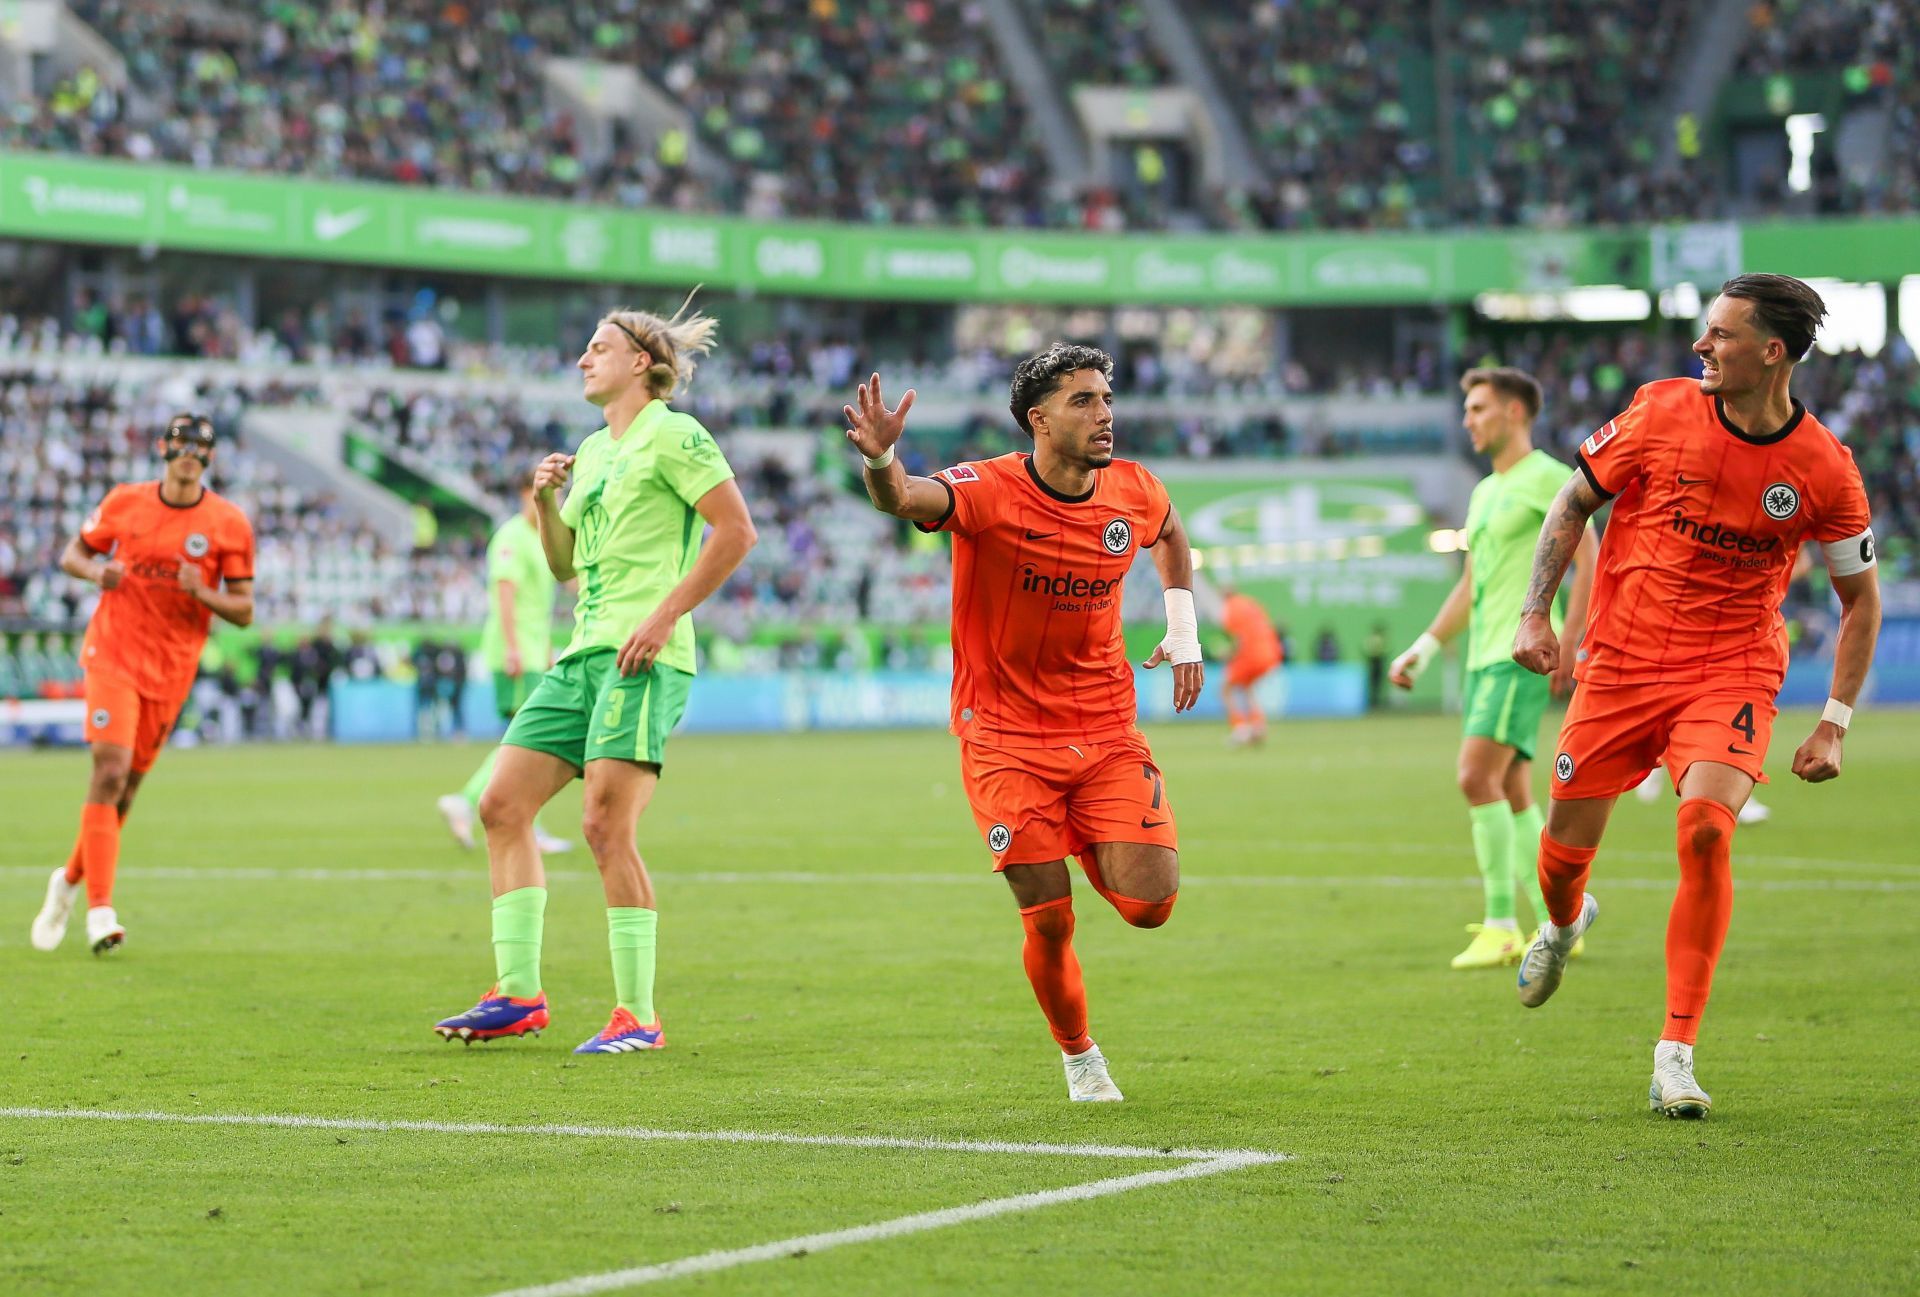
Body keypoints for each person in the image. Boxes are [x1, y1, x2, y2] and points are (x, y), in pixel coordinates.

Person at [1511, 275, 1880, 1118]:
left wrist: (1834, 723)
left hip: (1732, 669)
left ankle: (1674, 1053)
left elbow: (1860, 600)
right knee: (1564, 856)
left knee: (1706, 831)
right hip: (1621, 664)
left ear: (1772, 351)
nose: (1700, 346)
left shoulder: (1824, 467)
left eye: (1719, 334)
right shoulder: (1659, 410)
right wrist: (1538, 614)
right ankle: (1565, 923)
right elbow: (1574, 503)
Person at [846, 344, 1205, 1102]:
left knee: (1151, 904)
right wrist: (882, 462)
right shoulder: (990, 488)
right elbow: (907, 499)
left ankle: (1078, 833)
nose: (1104, 414)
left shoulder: (1134, 489)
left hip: (1105, 729)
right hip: (1005, 739)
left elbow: (1171, 534)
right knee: (1048, 921)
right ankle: (1080, 1056)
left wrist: (1184, 630)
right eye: (1084, 401)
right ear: (1039, 419)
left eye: (1107, 398)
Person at [430, 302, 757, 1055]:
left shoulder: (675, 432)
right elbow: (565, 565)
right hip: (581, 658)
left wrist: (664, 616)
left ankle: (636, 1016)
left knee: (605, 827)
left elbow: (737, 531)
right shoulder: (592, 449)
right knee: (500, 803)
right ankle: (517, 994)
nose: (583, 358)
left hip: (644, 657)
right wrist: (545, 503)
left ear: (641, 361)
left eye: (598, 346)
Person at [1389, 367, 1597, 970]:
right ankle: (1562, 919)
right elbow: (1473, 584)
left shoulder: (1551, 478)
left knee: (1474, 776)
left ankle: (1505, 926)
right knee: (1508, 788)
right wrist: (1425, 647)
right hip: (1483, 656)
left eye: (1478, 408)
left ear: (1513, 413)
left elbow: (1591, 557)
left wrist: (1570, 634)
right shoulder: (1483, 493)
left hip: (1518, 654)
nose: (1467, 420)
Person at [31, 414, 256, 954]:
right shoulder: (125, 501)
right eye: (180, 443)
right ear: (162, 449)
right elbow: (73, 554)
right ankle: (100, 911)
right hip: (112, 653)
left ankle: (66, 882)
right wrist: (95, 573)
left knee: (126, 790)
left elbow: (245, 610)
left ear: (210, 459)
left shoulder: (228, 523)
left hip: (171, 669)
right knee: (108, 770)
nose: (188, 453)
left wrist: (202, 592)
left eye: (200, 446)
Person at [438, 468, 573, 856]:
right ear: (522, 493)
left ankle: (512, 816)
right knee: (527, 739)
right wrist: (514, 647)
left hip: (532, 650)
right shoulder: (512, 536)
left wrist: (544, 646)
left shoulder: (539, 536)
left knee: (526, 739)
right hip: (515, 652)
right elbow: (505, 594)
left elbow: (540, 605)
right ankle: (470, 801)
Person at [1219, 584, 1282, 745]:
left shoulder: (1230, 608)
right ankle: (1258, 727)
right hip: (1269, 651)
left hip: (1250, 653)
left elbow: (1238, 639)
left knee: (1225, 689)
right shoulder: (1250, 603)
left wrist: (1227, 654)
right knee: (1247, 688)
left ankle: (1240, 728)